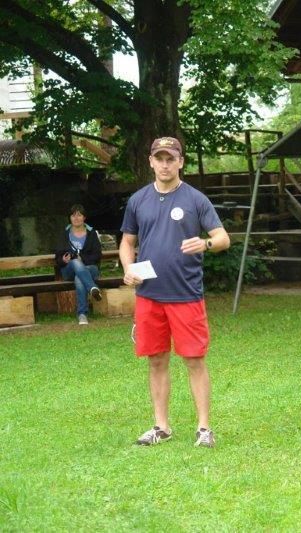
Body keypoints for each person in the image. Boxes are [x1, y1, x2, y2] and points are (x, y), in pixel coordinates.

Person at [120, 136, 230, 448]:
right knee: (156, 360)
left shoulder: (195, 199)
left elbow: (223, 238)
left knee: (194, 360)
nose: (165, 165)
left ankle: (204, 429)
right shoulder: (138, 200)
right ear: (151, 162)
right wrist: (128, 268)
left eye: (171, 159)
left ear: (181, 162)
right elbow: (127, 242)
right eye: (160, 158)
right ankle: (161, 427)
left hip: (186, 295)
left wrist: (205, 243)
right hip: (149, 296)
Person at [54, 204, 103, 325]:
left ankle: (82, 315)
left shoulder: (91, 233)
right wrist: (63, 260)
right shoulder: (64, 234)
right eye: (73, 215)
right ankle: (92, 287)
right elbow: (57, 258)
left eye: (79, 215)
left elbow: (97, 255)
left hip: (90, 268)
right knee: (75, 262)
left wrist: (83, 259)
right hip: (69, 269)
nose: (76, 218)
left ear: (84, 218)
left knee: (79, 277)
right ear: (70, 218)